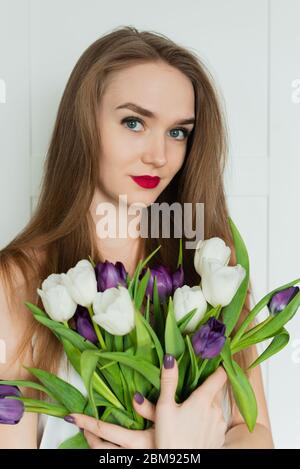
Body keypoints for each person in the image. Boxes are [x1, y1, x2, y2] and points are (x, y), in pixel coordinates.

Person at [0, 26, 274, 449]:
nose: (160, 155)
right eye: (134, 122)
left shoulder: (209, 263)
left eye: (178, 132)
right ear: (83, 125)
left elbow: (253, 430)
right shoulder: (15, 282)